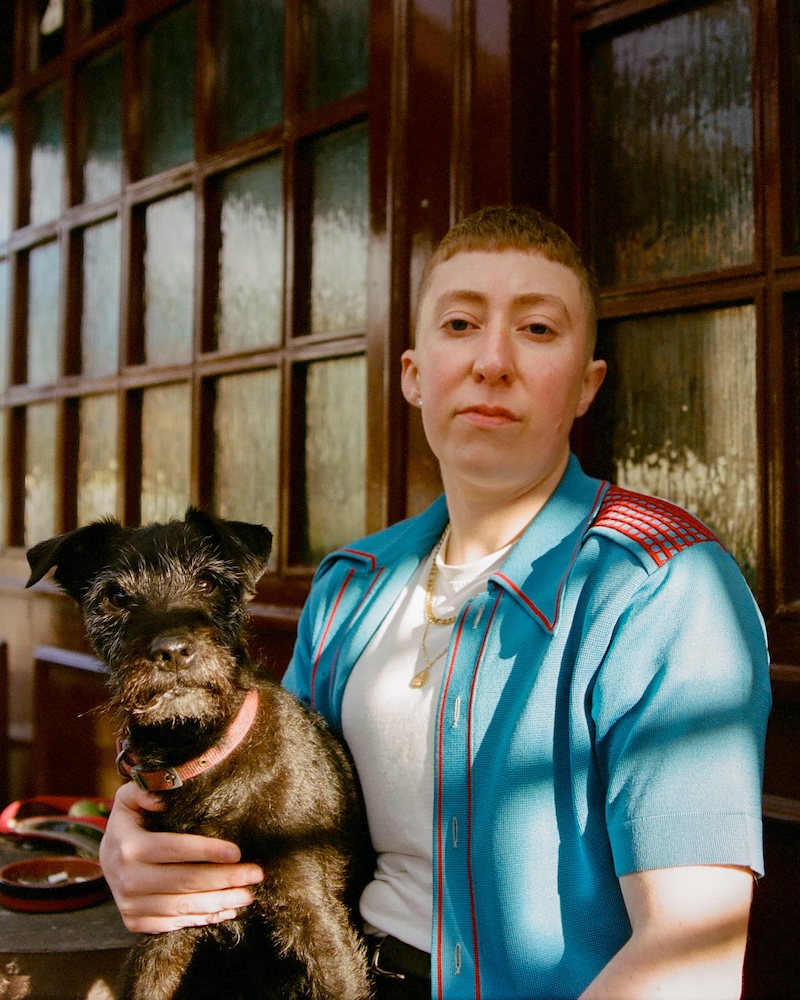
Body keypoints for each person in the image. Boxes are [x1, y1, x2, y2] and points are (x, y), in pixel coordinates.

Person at [99, 205, 771, 999]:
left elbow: (690, 960)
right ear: (414, 374)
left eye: (538, 330)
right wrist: (133, 840)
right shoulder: (353, 583)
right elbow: (268, 816)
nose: (492, 361)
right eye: (460, 323)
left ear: (586, 385)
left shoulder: (661, 587)